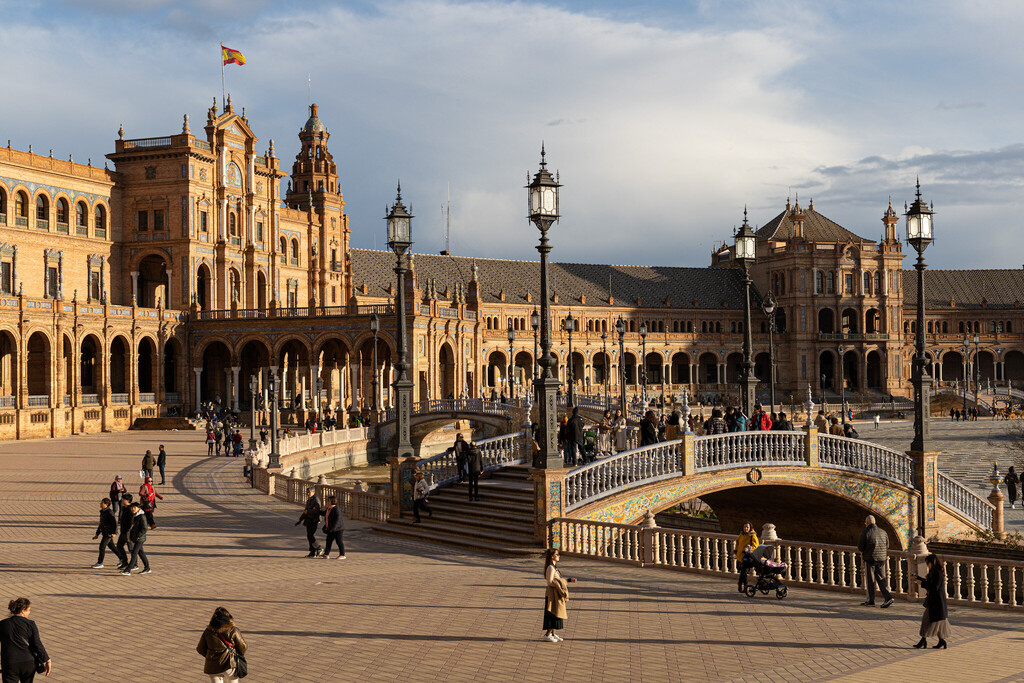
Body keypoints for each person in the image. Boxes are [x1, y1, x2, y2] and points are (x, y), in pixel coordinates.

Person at [0, 598, 50, 681]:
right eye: (28, 610)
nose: (29, 612)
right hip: (28, 662)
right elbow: (37, 643)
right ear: (23, 610)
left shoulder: (2, 624)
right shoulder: (30, 624)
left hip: (10, 663)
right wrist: (47, 659)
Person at [197, 607, 247, 683]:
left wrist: (211, 656)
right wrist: (237, 655)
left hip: (213, 666)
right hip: (229, 665)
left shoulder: (208, 631)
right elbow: (243, 647)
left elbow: (200, 649)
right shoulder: (233, 630)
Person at [913, 554, 950, 649]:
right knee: (935, 621)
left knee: (930, 620)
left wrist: (922, 583)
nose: (927, 565)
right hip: (933, 601)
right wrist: (919, 579)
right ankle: (940, 641)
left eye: (927, 563)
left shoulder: (937, 573)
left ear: (932, 563)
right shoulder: (933, 572)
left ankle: (924, 640)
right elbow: (929, 582)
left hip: (937, 602)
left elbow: (934, 587)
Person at [857, 514, 893, 608]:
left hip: (870, 559)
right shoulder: (883, 532)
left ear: (867, 523)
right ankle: (888, 597)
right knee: (882, 579)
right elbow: (887, 545)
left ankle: (871, 600)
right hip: (881, 559)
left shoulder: (865, 532)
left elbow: (860, 547)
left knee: (870, 580)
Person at [542, 548, 576, 642]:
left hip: (556, 594)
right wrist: (558, 585)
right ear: (552, 556)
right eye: (557, 554)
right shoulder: (550, 568)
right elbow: (549, 582)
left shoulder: (555, 567)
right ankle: (547, 635)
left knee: (557, 613)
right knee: (552, 613)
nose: (559, 556)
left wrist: (569, 580)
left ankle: (553, 633)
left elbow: (559, 579)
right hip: (552, 595)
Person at [92, 497, 124, 569]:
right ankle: (122, 559)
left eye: (102, 503)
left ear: (106, 504)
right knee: (112, 546)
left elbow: (114, 523)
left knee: (102, 547)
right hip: (105, 532)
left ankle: (100, 563)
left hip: (108, 533)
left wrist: (114, 533)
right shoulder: (103, 512)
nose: (100, 504)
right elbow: (101, 524)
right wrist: (97, 534)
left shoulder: (109, 512)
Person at [122, 501, 151, 575]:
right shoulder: (135, 515)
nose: (133, 509)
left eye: (134, 507)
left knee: (134, 553)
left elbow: (144, 528)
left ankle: (128, 570)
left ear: (138, 508)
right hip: (136, 538)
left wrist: (138, 536)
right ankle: (147, 568)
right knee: (141, 553)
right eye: (132, 507)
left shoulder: (141, 516)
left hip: (140, 538)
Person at [295, 487, 323, 557]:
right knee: (309, 536)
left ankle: (318, 548)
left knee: (310, 535)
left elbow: (317, 510)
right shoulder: (309, 500)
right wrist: (300, 519)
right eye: (307, 492)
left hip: (314, 520)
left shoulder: (316, 500)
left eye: (309, 492)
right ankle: (312, 552)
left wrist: (309, 511)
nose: (307, 494)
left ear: (313, 492)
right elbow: (305, 511)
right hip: (308, 520)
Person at [735, 522, 759, 592]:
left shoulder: (752, 535)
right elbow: (737, 542)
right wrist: (735, 551)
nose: (746, 529)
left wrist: (749, 548)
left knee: (744, 571)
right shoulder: (741, 534)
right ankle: (743, 586)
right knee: (743, 571)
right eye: (744, 527)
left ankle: (742, 585)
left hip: (747, 556)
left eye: (747, 527)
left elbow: (756, 545)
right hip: (740, 556)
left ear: (750, 528)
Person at [115, 494, 134, 570]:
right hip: (123, 531)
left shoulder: (130, 509)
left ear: (128, 501)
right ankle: (125, 562)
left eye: (123, 499)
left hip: (128, 532)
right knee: (119, 546)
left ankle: (134, 564)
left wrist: (128, 530)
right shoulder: (124, 508)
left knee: (131, 549)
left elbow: (131, 522)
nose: (121, 500)